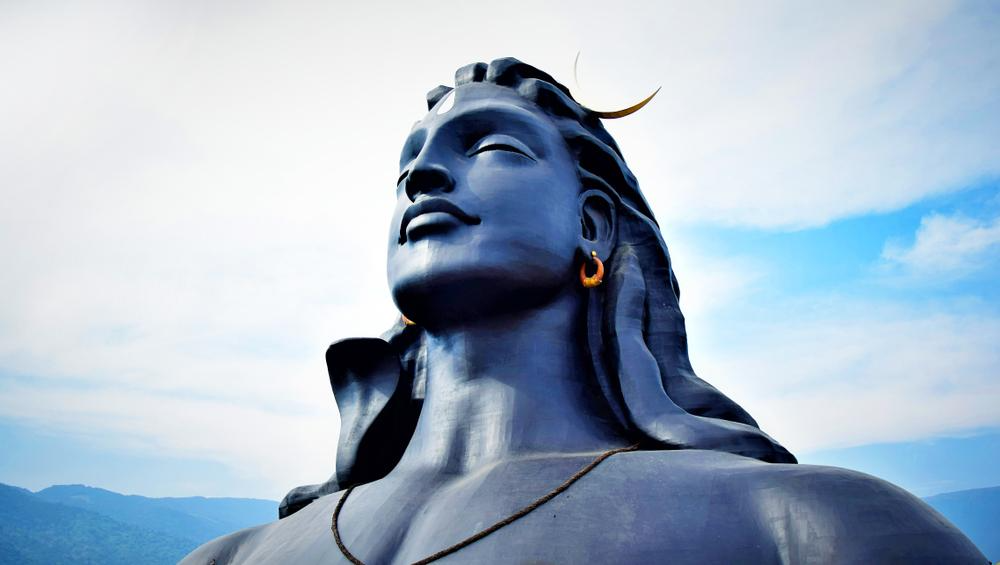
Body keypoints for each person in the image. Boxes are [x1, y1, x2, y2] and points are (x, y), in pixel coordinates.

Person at [181, 58, 986, 564]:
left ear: (592, 224)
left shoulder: (805, 526)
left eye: (490, 146)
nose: (423, 176)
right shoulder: (230, 556)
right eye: (409, 165)